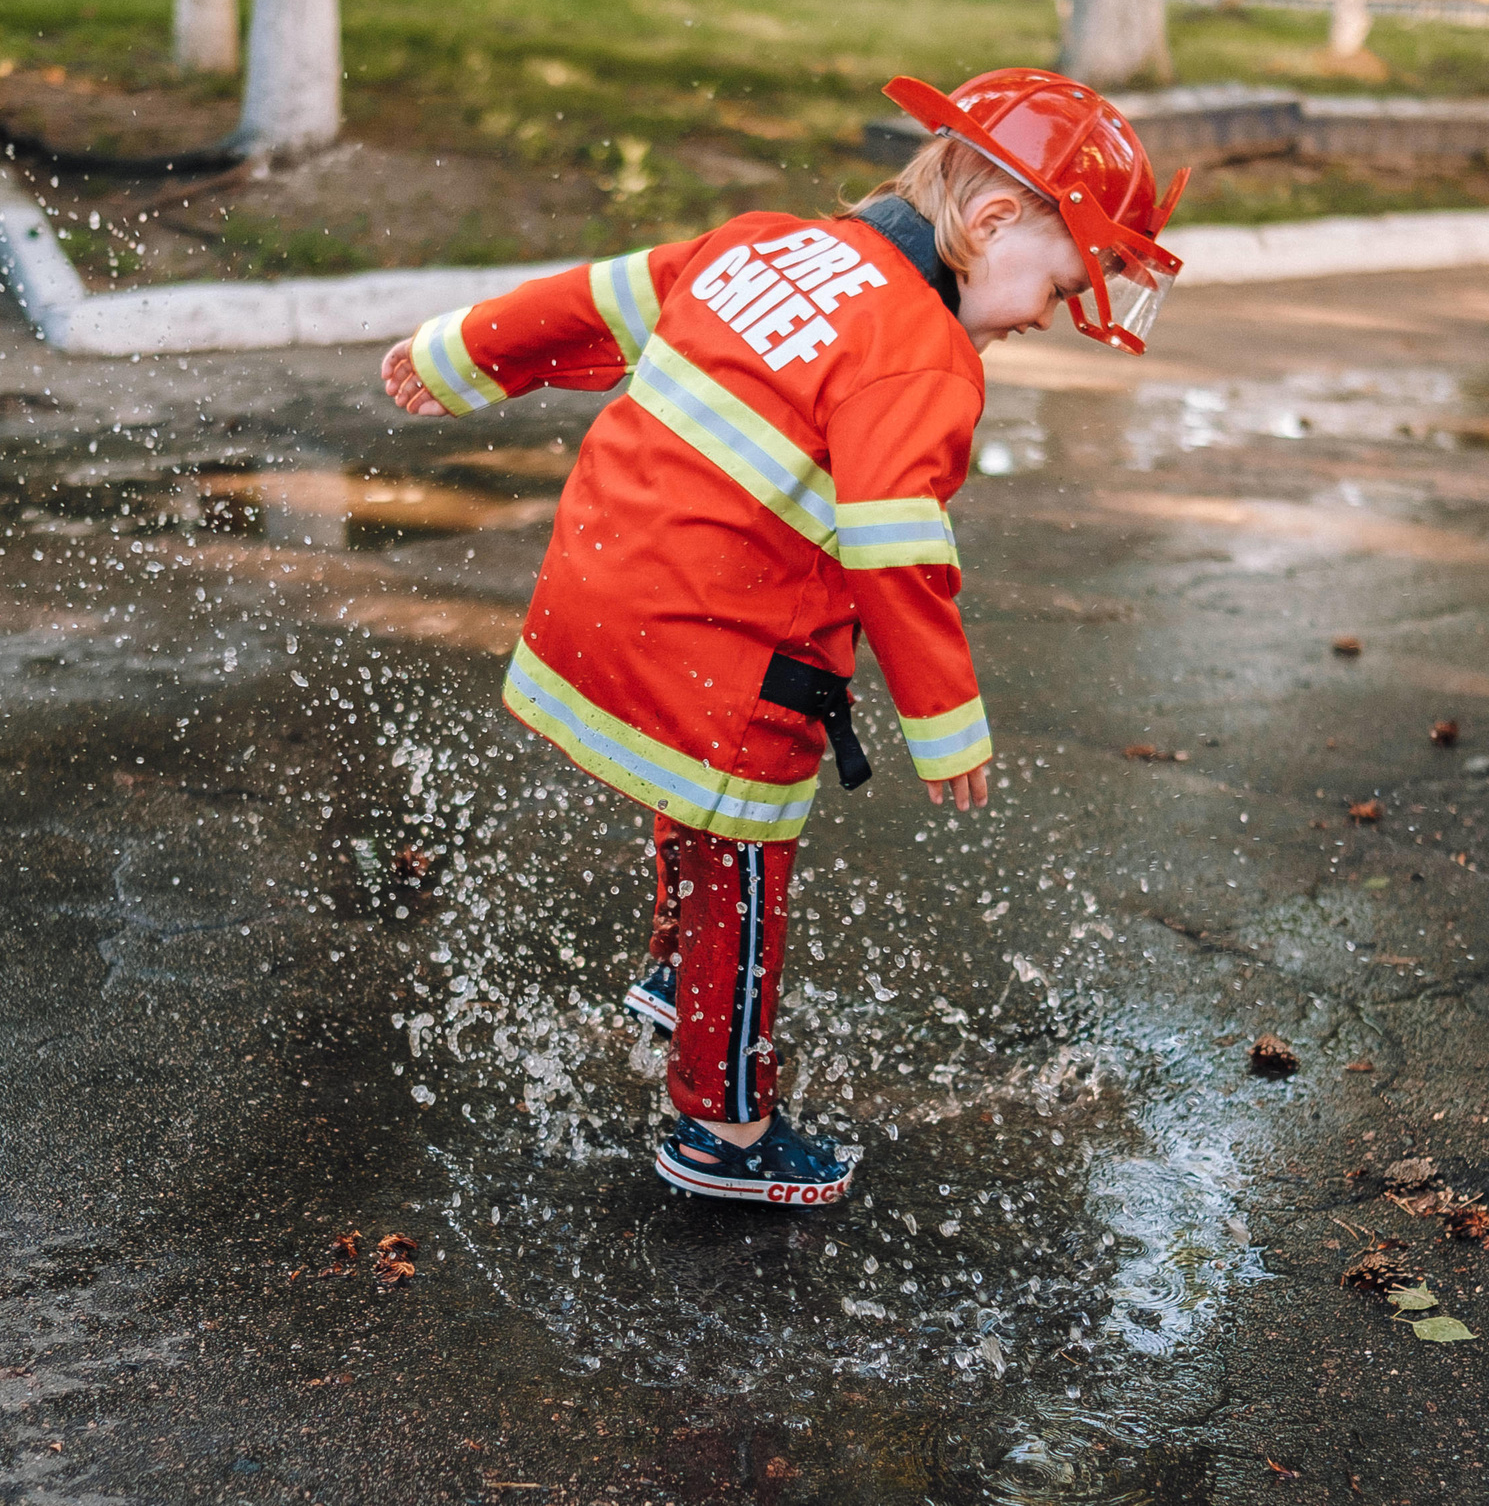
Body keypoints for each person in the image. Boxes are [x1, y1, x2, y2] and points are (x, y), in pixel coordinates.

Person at [379, 68, 1187, 1206]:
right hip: (714, 657)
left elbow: (598, 299)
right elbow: (896, 551)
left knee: (688, 799)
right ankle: (725, 1130)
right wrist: (947, 723)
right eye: (1059, 285)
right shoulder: (922, 354)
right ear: (993, 220)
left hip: (590, 602)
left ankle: (671, 972)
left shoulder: (764, 243)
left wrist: (460, 353)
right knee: (748, 872)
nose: (1046, 316)